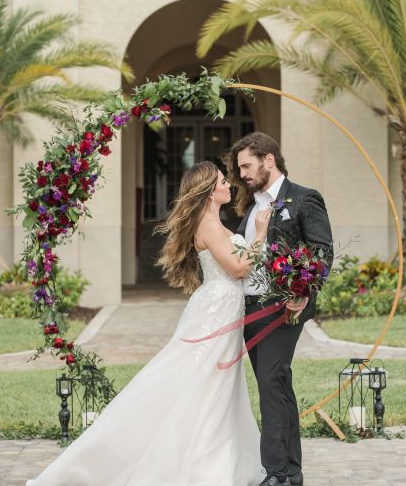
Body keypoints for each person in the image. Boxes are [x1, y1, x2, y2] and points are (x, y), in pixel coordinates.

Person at [27, 160, 270, 486]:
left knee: (216, 387)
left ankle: (212, 461)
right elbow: (238, 268)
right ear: (210, 191)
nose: (229, 184)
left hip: (223, 309)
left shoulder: (215, 222)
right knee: (197, 383)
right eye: (222, 181)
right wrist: (261, 234)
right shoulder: (210, 225)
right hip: (215, 312)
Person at [228, 132, 334, 486]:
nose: (242, 173)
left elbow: (321, 252)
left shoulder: (304, 199)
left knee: (271, 381)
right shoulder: (251, 206)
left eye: (246, 165)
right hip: (251, 309)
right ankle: (292, 471)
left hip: (286, 306)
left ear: (268, 160)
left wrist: (303, 291)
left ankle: (275, 473)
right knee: (276, 383)